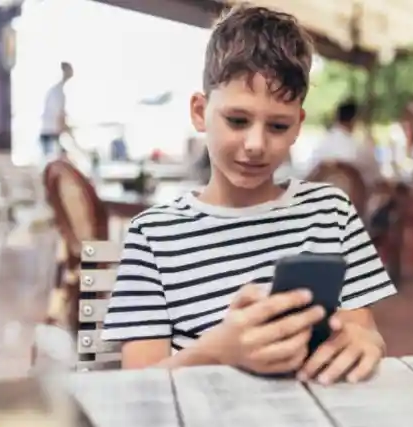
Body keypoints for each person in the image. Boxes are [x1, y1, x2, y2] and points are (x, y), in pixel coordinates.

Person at [102, 5, 396, 384]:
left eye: (277, 125)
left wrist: (366, 341)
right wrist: (218, 351)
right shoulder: (153, 235)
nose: (256, 144)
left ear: (297, 127)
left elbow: (365, 331)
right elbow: (137, 384)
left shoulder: (331, 212)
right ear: (199, 111)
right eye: (237, 120)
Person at [308, 100, 382, 189]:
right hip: (350, 195)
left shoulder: (323, 143)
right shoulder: (357, 147)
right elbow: (374, 174)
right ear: (355, 120)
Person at [39, 62, 73, 158]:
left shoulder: (55, 91)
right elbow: (59, 116)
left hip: (50, 134)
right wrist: (67, 130)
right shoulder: (58, 93)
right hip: (51, 135)